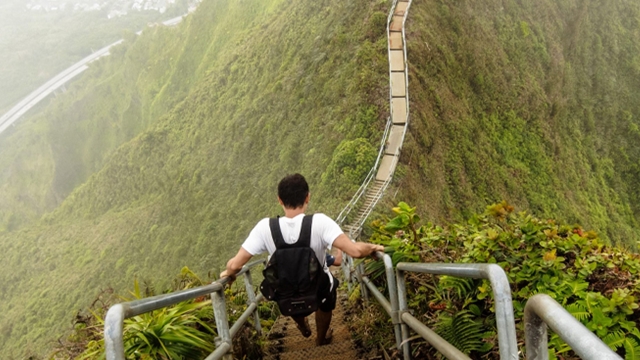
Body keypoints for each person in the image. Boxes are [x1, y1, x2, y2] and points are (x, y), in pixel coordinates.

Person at [220, 173, 384, 346]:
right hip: (316, 287)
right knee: (328, 292)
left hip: (285, 291)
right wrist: (373, 247)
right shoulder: (320, 222)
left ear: (280, 200)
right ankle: (320, 339)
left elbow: (235, 264)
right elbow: (356, 251)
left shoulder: (265, 227)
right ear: (307, 197)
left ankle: (302, 325)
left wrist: (229, 273)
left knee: (288, 291)